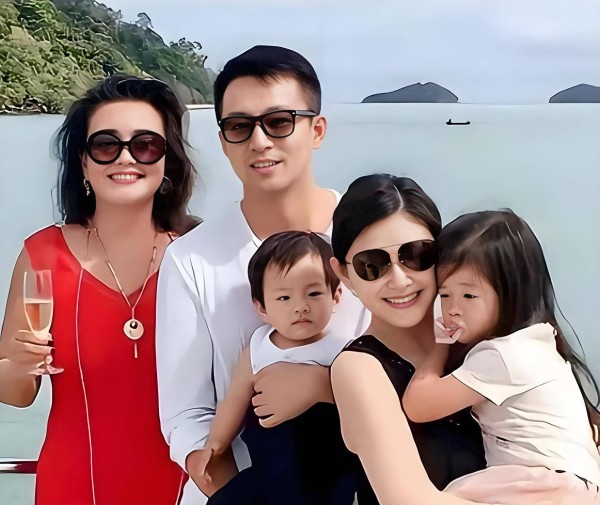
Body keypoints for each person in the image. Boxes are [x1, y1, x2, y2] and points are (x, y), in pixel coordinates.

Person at [156, 45, 368, 504]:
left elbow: (416, 368)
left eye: (279, 121)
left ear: (317, 130)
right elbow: (186, 416)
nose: (259, 141)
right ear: (223, 141)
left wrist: (325, 387)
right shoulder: (191, 259)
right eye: (239, 126)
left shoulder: (370, 240)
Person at [0, 75, 198, 505]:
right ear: (84, 163)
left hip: (188, 490)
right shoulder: (43, 254)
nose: (125, 157)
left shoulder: (200, 254)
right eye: (106, 145)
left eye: (145, 145)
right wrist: (20, 365)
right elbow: (15, 393)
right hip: (73, 488)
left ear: (167, 161)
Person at [402, 209, 600, 504]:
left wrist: (440, 344)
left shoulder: (502, 357)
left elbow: (418, 405)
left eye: (469, 296)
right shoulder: (539, 342)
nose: (452, 309)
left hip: (543, 485)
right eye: (444, 295)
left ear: (510, 292)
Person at [329, 174, 487, 505]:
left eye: (415, 255)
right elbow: (408, 499)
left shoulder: (479, 337)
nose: (399, 280)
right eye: (372, 265)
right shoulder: (359, 370)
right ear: (344, 274)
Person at [199, 231, 358, 504]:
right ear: (261, 307)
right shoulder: (258, 347)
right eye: (284, 298)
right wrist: (216, 444)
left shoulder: (345, 351)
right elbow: (234, 400)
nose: (301, 307)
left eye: (314, 293)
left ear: (335, 296)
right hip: (268, 469)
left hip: (325, 475)